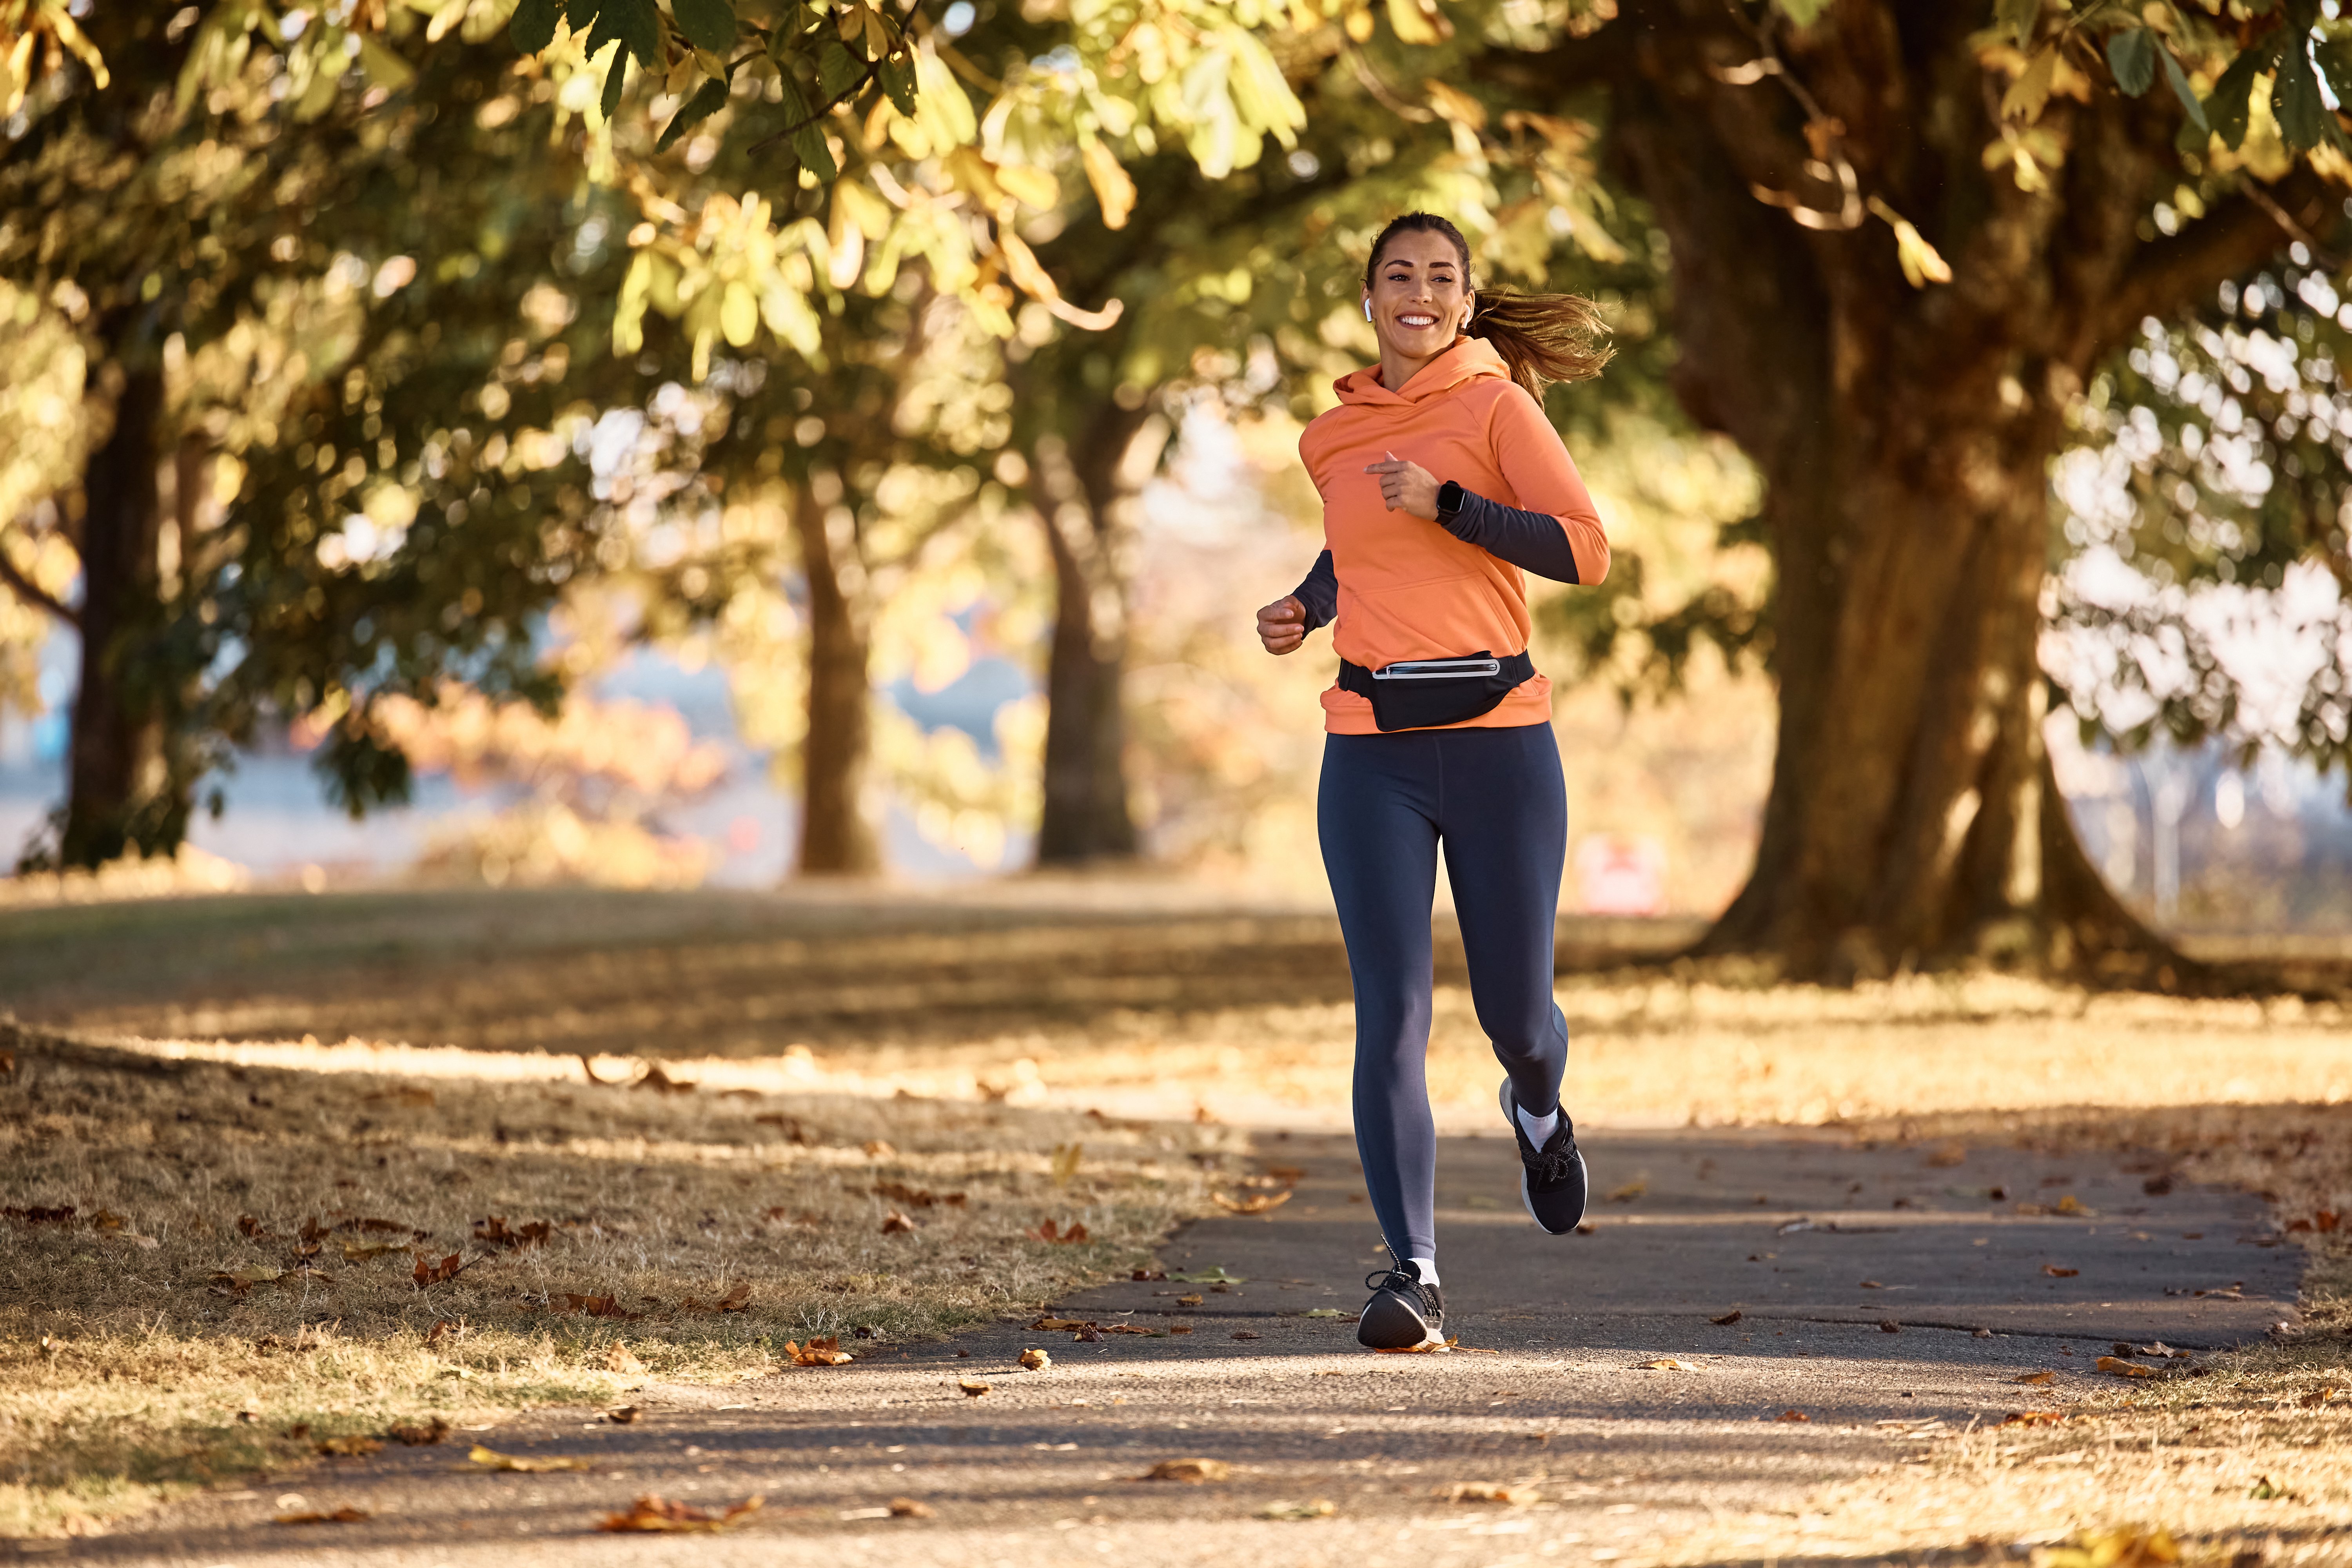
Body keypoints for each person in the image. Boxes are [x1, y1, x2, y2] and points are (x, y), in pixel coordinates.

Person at [1256, 212, 1613, 1351]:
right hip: (1370, 745)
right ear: (1369, 298)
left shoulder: (1499, 408)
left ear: (1466, 302)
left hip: (1503, 738)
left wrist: (1453, 505)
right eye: (1398, 275)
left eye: (1441, 278)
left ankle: (1537, 1106)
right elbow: (1353, 550)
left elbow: (1584, 549)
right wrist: (1307, 607)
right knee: (1392, 1014)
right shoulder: (1331, 436)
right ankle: (1412, 1272)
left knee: (1513, 1014)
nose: (1419, 292)